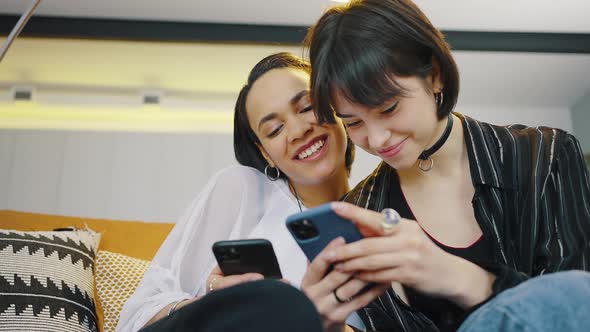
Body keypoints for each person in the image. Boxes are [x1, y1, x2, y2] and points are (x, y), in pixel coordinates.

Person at [304, 0, 590, 331]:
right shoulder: (359, 212)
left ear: (435, 76)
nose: (377, 139)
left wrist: (467, 280)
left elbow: (577, 309)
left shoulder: (544, 158)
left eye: (389, 109)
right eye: (353, 123)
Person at [117, 52, 384, 332]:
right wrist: (217, 296)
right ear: (264, 153)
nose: (297, 131)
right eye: (275, 129)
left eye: (306, 107)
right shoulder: (242, 188)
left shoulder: (379, 216)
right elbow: (137, 316)